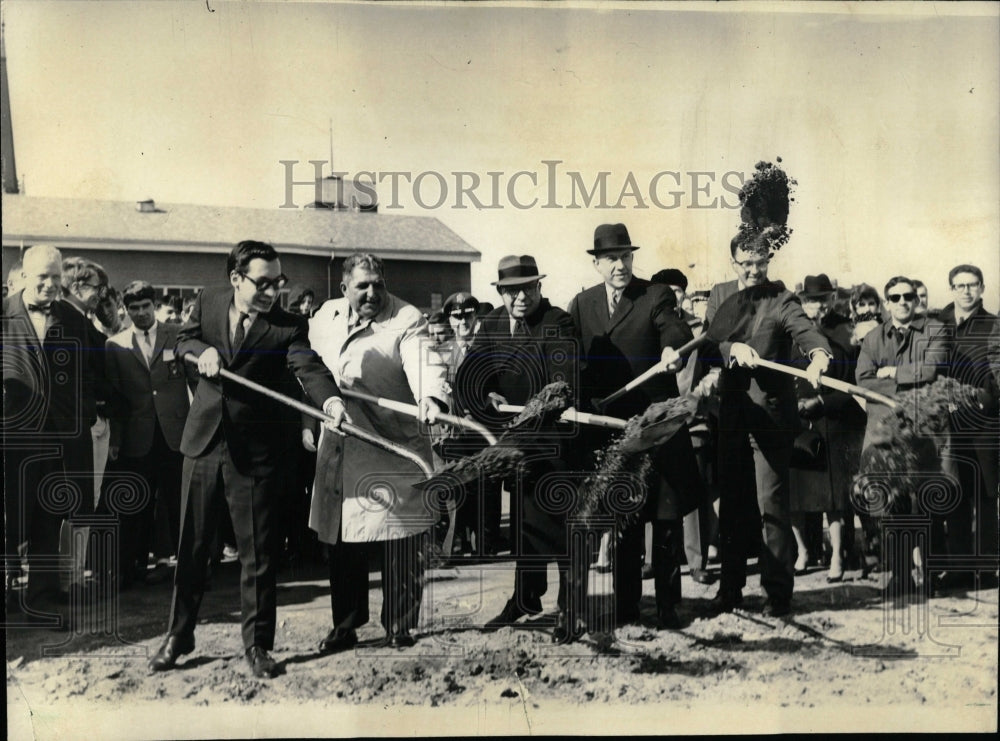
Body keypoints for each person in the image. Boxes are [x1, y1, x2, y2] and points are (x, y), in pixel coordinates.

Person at [148, 240, 344, 679]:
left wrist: (328, 402)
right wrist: (203, 354)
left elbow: (306, 366)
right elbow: (183, 340)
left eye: (279, 282)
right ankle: (179, 634)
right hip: (202, 444)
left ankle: (257, 645)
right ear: (236, 279)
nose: (273, 290)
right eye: (263, 282)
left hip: (254, 456)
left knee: (257, 555)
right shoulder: (209, 300)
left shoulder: (288, 326)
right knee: (193, 548)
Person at [308, 253, 448, 653]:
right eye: (362, 286)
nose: (371, 293)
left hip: (394, 442)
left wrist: (431, 397)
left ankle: (400, 625)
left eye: (377, 285)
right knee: (343, 539)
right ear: (343, 288)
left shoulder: (405, 318)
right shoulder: (325, 317)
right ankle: (346, 625)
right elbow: (307, 366)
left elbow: (424, 360)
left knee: (401, 538)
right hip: (342, 439)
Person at [569, 224, 704, 631]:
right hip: (612, 430)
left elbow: (673, 327)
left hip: (656, 427)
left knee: (665, 520)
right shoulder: (581, 304)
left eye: (626, 256)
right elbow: (569, 353)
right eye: (611, 259)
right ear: (595, 264)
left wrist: (671, 349)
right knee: (623, 520)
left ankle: (667, 607)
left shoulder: (654, 295)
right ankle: (627, 607)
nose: (620, 265)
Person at [698, 228, 832, 618]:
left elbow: (804, 329)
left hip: (771, 416)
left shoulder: (781, 297)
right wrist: (730, 348)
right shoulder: (721, 295)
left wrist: (819, 355)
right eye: (747, 263)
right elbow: (710, 343)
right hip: (733, 416)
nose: (754, 270)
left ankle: (777, 593)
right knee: (734, 507)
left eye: (761, 262)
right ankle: (730, 589)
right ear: (734, 262)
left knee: (771, 505)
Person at [455, 256, 584, 642]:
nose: (521, 297)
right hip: (515, 445)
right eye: (512, 290)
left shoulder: (557, 322)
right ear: (500, 293)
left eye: (529, 288)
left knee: (562, 529)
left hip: (555, 444)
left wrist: (540, 406)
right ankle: (525, 600)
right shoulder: (492, 323)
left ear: (540, 288)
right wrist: (484, 393)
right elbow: (468, 376)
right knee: (525, 528)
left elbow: (565, 380)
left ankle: (572, 607)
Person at [3, 245, 96, 625]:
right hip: (11, 438)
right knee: (8, 517)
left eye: (56, 277)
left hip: (57, 439)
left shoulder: (72, 319)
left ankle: (39, 597)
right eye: (42, 276)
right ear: (24, 276)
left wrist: (81, 415)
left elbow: (87, 374)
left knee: (47, 516)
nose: (50, 284)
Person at [856, 275, 950, 597]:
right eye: (894, 297)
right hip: (887, 432)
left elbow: (932, 370)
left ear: (916, 299)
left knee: (927, 502)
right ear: (886, 303)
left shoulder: (934, 330)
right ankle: (900, 576)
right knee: (893, 503)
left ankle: (933, 576)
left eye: (908, 296)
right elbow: (863, 381)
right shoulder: (873, 339)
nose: (902, 302)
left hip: (924, 430)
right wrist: (905, 387)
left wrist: (893, 373)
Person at [104, 281, 193, 588]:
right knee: (135, 505)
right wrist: (115, 440)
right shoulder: (115, 345)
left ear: (154, 306)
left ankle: (192, 570)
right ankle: (131, 570)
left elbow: (195, 383)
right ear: (125, 310)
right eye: (133, 308)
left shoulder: (177, 335)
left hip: (175, 434)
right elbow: (114, 397)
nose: (140, 313)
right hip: (136, 437)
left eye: (145, 307)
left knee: (179, 503)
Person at [789, 274, 867, 583]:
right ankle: (803, 551)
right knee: (796, 495)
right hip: (799, 421)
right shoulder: (794, 331)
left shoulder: (844, 331)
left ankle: (836, 555)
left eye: (822, 299)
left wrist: (821, 402)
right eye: (810, 299)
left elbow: (852, 384)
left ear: (832, 299)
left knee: (832, 497)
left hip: (834, 421)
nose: (816, 305)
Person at [650, 268, 717, 586]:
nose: (672, 296)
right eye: (665, 290)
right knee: (654, 490)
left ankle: (697, 560)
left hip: (693, 422)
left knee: (693, 494)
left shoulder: (699, 329)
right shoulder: (649, 326)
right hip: (657, 421)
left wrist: (699, 395)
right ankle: (653, 559)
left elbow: (713, 371)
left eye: (677, 290)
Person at [937, 264, 998, 590]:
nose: (966, 291)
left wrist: (984, 401)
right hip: (950, 424)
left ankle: (986, 569)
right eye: (959, 285)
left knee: (986, 495)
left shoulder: (994, 325)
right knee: (956, 494)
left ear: (982, 288)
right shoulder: (939, 324)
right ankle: (959, 568)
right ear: (951, 288)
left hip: (985, 422)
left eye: (972, 285)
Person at [59, 257, 118, 595]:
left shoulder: (82, 321)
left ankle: (71, 576)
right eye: (97, 288)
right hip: (84, 424)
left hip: (89, 421)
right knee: (78, 503)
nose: (101, 294)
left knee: (83, 502)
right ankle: (69, 579)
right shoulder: (69, 321)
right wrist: (95, 415)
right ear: (78, 286)